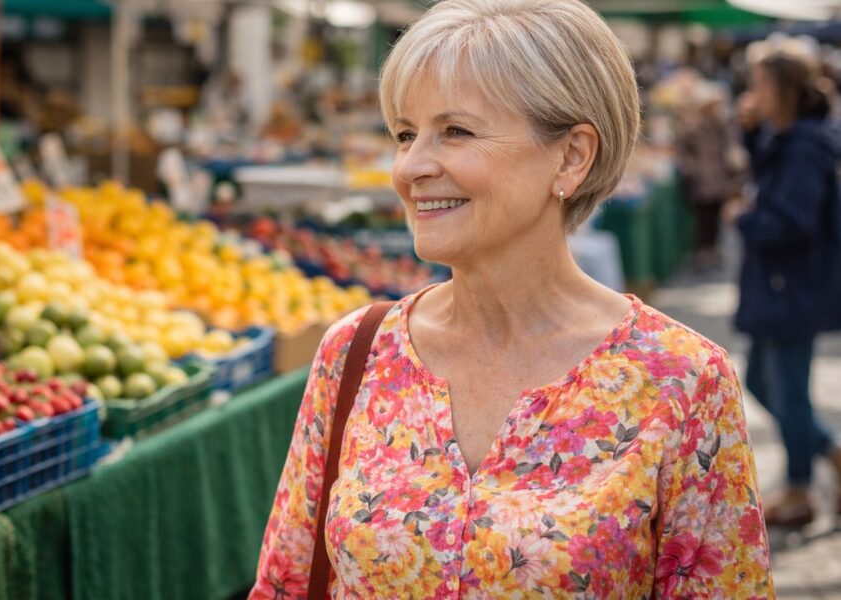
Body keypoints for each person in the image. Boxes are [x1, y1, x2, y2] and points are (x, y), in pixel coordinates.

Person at [251, 0, 774, 597]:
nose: (411, 166)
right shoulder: (356, 352)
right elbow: (285, 584)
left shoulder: (681, 380)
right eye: (405, 134)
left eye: (456, 131)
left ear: (571, 157)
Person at [725, 49, 841, 528]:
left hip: (793, 285)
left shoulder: (807, 144)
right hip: (779, 285)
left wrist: (744, 219)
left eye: (761, 85)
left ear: (786, 91)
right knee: (758, 380)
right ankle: (831, 453)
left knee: (790, 391)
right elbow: (769, 174)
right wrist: (752, 132)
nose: (753, 93)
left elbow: (794, 220)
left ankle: (799, 488)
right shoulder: (787, 136)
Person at [676, 82, 743, 270]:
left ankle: (713, 250)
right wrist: (691, 170)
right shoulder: (694, 129)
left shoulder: (722, 127)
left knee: (715, 218)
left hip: (718, 180)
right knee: (704, 219)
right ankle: (705, 252)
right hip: (702, 181)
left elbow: (731, 148)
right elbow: (684, 153)